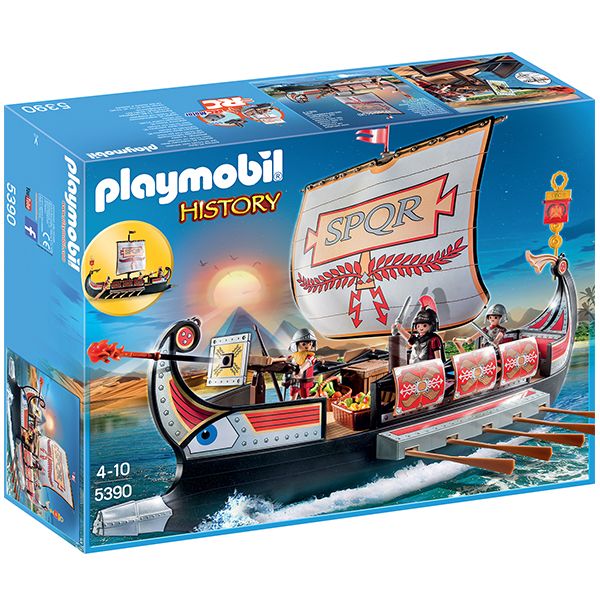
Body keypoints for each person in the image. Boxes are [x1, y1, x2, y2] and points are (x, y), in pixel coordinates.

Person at [395, 298, 445, 364]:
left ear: (431, 325)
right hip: (414, 367)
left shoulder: (434, 340)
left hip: (429, 368)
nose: (421, 328)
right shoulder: (417, 339)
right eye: (418, 326)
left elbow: (438, 358)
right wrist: (399, 329)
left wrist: (438, 366)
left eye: (424, 325)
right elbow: (409, 338)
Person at [273, 328, 318, 399]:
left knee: (304, 395)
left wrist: (301, 370)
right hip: (294, 378)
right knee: (293, 392)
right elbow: (287, 359)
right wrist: (275, 360)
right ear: (296, 344)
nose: (307, 346)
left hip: (304, 379)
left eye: (310, 344)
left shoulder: (310, 356)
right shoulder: (295, 355)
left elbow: (308, 363)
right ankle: (292, 402)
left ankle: (305, 403)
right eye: (304, 344)